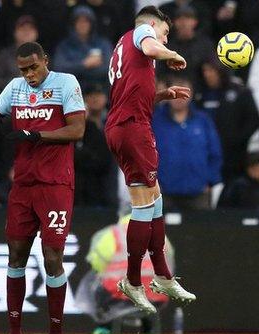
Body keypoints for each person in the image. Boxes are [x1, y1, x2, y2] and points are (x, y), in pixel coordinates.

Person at [103, 6, 196, 315]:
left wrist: (162, 95)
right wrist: (169, 52)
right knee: (144, 205)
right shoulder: (142, 34)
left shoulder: (120, 46)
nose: (164, 37)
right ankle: (132, 280)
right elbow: (150, 44)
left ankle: (163, 275)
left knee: (154, 201)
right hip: (133, 129)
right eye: (165, 31)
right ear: (154, 24)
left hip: (124, 125)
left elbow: (129, 94)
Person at [0, 42, 87, 334]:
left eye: (34, 67)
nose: (30, 75)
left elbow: (77, 130)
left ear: (45, 60)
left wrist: (37, 135)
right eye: (24, 70)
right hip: (23, 185)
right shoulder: (15, 87)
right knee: (16, 256)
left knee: (52, 258)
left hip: (56, 185)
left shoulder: (65, 82)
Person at [152, 77, 223, 211]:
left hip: (198, 192)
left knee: (199, 231)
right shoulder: (155, 121)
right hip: (164, 193)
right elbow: (144, 154)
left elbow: (215, 153)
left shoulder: (203, 121)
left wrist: (210, 181)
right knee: (163, 232)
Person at [52, 5, 113, 89]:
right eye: (79, 21)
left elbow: (109, 68)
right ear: (73, 24)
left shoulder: (103, 44)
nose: (82, 25)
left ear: (92, 24)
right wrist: (84, 64)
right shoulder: (64, 46)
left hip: (100, 91)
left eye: (86, 21)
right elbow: (59, 68)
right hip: (72, 91)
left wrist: (76, 70)